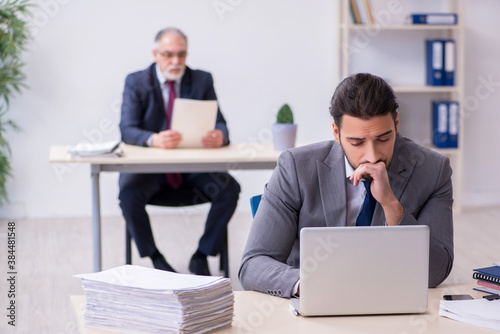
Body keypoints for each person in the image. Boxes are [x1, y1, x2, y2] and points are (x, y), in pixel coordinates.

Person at [239, 73, 453, 297]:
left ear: (396, 124)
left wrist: (392, 205)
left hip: (393, 300)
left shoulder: (433, 170)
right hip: (317, 302)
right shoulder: (295, 168)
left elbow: (436, 272)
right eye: (357, 142)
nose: (371, 156)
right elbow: (253, 265)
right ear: (336, 133)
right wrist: (313, 286)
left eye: (383, 139)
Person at [119, 27, 240, 275]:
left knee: (229, 188)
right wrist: (153, 139)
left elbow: (221, 124)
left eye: (181, 55)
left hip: (192, 169)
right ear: (155, 54)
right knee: (129, 194)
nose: (176, 61)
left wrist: (220, 136)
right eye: (168, 54)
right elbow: (127, 129)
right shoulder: (137, 82)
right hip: (151, 172)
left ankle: (202, 254)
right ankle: (155, 257)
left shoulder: (202, 80)